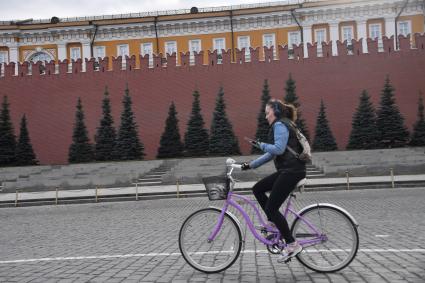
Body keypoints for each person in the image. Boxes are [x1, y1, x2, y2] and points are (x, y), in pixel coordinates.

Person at [241, 98, 306, 262]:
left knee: (271, 207)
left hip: (292, 171)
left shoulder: (279, 125)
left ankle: (292, 244)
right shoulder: (284, 124)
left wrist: (259, 144)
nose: (265, 116)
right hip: (288, 170)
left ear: (275, 112)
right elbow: (273, 153)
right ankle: (273, 223)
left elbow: (278, 149)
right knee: (258, 189)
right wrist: (251, 165)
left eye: (267, 112)